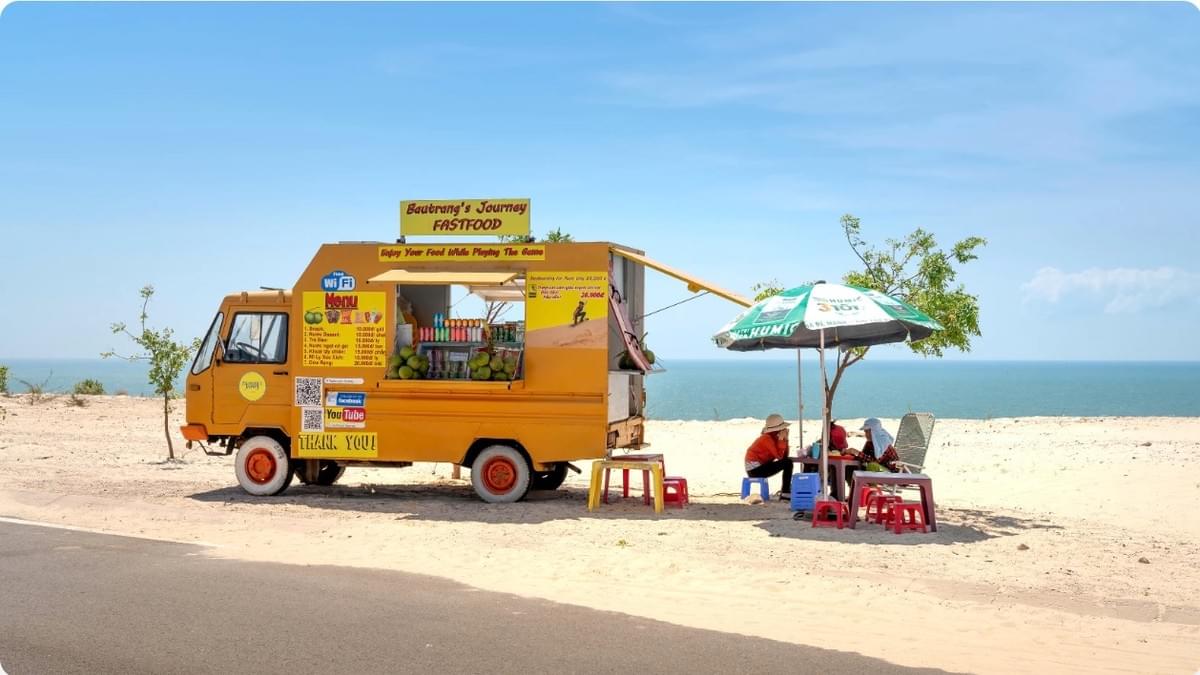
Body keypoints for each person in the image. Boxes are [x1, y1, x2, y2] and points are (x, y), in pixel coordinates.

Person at [744, 413, 795, 500]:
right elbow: (780, 457)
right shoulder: (766, 439)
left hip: (761, 466)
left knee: (787, 462)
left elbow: (785, 456)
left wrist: (786, 439)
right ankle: (785, 492)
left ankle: (785, 491)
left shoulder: (774, 438)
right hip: (754, 470)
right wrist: (781, 439)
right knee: (788, 463)